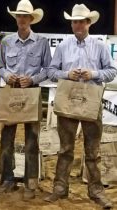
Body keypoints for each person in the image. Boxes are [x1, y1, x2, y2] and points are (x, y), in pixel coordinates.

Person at [44, 4, 117, 209]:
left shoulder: (100, 46)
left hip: (91, 102)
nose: (78, 25)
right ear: (72, 23)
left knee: (92, 150)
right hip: (69, 100)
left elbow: (111, 71)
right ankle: (60, 188)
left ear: (88, 23)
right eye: (75, 21)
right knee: (65, 148)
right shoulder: (63, 46)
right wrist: (66, 74)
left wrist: (93, 74)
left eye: (81, 21)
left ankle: (96, 191)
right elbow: (51, 71)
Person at [0, 0, 51, 200]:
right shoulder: (7, 41)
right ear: (16, 18)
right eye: (19, 16)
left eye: (25, 16)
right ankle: (6, 179)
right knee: (6, 138)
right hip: (11, 91)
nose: (22, 19)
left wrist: (32, 79)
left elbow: (48, 70)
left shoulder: (42, 42)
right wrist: (8, 76)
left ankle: (30, 182)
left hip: (32, 92)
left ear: (31, 19)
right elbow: (0, 67)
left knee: (32, 140)